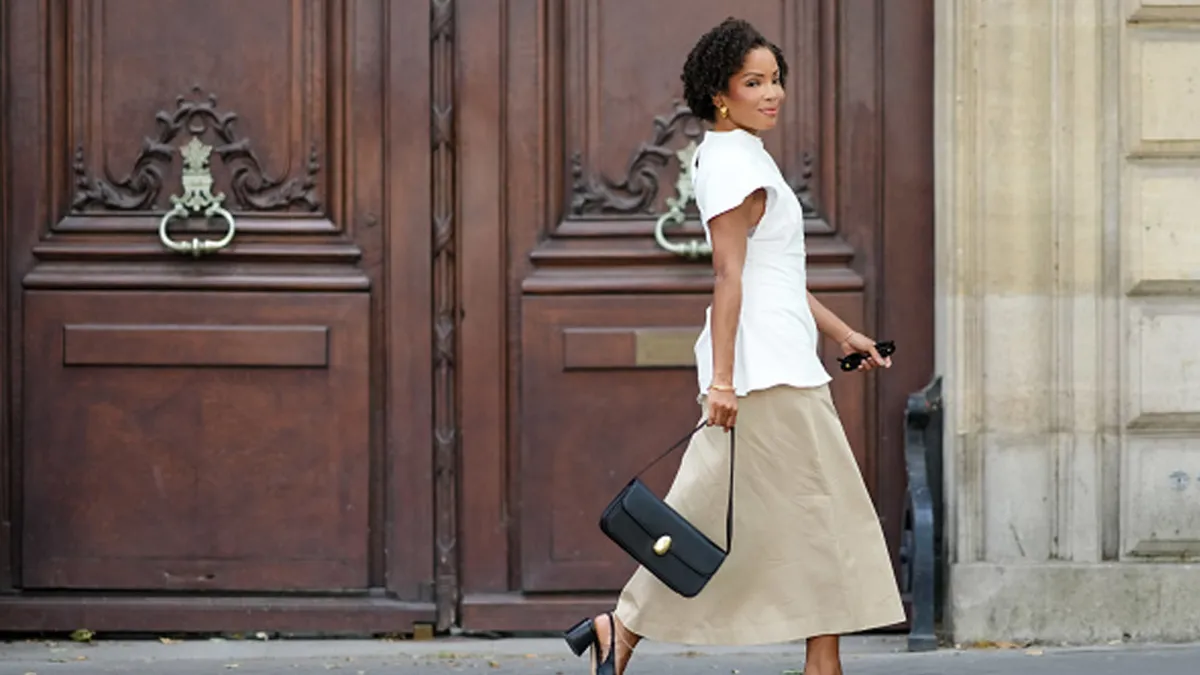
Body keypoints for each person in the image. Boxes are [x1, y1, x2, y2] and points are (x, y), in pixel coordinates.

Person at [561, 17, 906, 675]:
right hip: (762, 368)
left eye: (775, 79)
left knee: (758, 510)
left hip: (778, 356)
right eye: (755, 82)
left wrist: (843, 333)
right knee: (819, 511)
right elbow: (728, 275)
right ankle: (816, 661)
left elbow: (773, 274)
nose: (772, 93)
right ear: (721, 93)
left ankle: (623, 629)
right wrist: (722, 380)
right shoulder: (731, 162)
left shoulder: (743, 153)